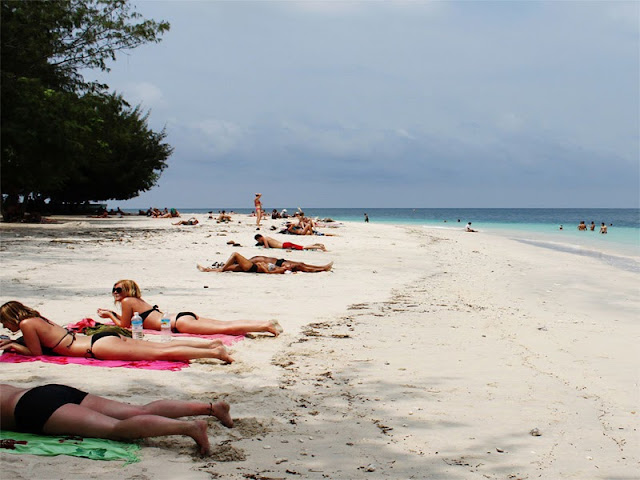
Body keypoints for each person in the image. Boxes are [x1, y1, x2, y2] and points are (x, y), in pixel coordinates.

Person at [0, 383, 233, 455]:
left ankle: (188, 428)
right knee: (139, 410)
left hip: (32, 409)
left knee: (115, 428)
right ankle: (212, 408)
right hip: (45, 391)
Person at [0, 301, 233, 363]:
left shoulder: (26, 325)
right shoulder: (37, 318)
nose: (4, 327)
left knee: (159, 353)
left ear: (11, 317)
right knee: (159, 347)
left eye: (4, 322)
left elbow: (36, 353)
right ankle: (211, 346)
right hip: (101, 339)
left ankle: (215, 354)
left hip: (96, 347)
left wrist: (12, 345)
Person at [98, 280, 282, 337]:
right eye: (113, 289)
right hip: (179, 316)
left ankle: (265, 327)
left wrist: (109, 315)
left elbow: (124, 325)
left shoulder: (127, 302)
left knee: (224, 328)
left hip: (179, 323)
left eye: (118, 289)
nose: (115, 292)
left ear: (127, 290)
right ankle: (264, 323)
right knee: (225, 324)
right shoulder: (136, 300)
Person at [197, 252, 333, 274]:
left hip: (256, 265)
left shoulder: (279, 269)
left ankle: (322, 268)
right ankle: (321, 268)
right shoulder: (280, 269)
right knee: (231, 266)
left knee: (231, 267)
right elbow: (270, 272)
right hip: (255, 266)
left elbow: (270, 272)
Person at [254, 234, 326, 251]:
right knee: (302, 246)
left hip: (285, 246)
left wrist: (263, 247)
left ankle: (319, 247)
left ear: (259, 238)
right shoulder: (267, 237)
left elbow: (267, 247)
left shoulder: (264, 239)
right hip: (285, 244)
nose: (259, 241)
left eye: (258, 240)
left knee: (303, 247)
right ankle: (316, 244)